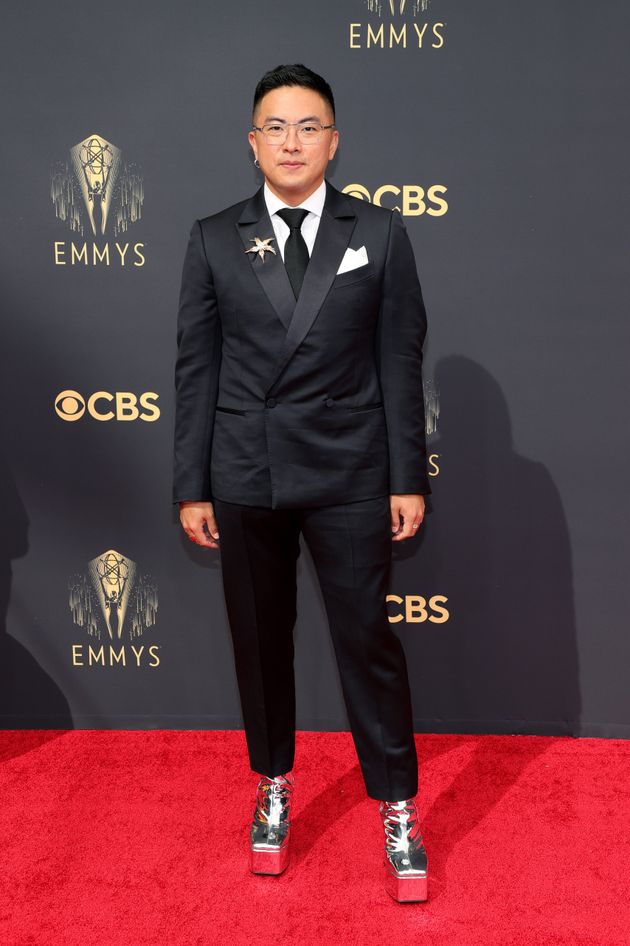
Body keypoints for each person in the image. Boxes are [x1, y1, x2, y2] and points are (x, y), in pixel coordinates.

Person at [173, 63, 431, 903]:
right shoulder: (213, 237)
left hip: (353, 471)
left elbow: (399, 361)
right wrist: (192, 484)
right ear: (253, 144)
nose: (292, 141)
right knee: (261, 640)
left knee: (368, 643)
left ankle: (396, 802)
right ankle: (274, 783)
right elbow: (196, 371)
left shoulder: (382, 232)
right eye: (276, 127)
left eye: (308, 125)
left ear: (334, 140)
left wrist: (406, 475)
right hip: (246, 473)